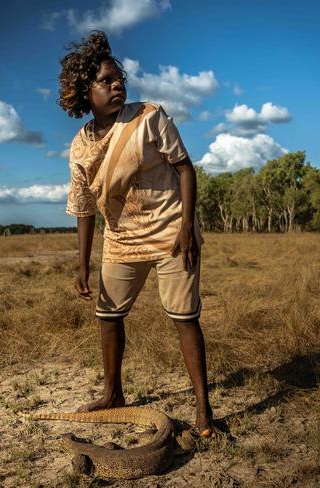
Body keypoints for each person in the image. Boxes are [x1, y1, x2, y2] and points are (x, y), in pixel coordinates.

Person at [58, 31, 213, 437]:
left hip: (170, 233)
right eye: (105, 81)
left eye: (118, 78)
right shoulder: (79, 147)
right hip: (122, 240)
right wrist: (82, 266)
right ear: (83, 93)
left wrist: (186, 229)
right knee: (108, 316)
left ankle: (204, 413)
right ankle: (114, 394)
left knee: (184, 319)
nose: (117, 85)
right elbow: (85, 208)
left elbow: (185, 169)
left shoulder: (148, 117)